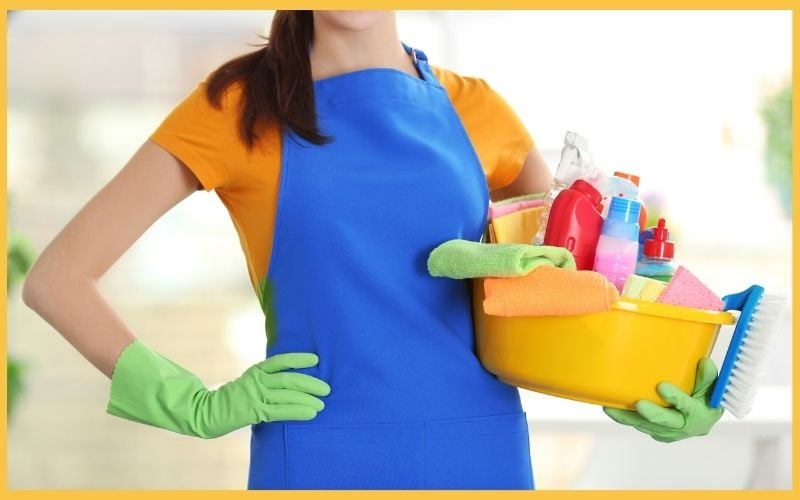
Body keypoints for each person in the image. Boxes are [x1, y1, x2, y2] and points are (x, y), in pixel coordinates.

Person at [21, 10, 724, 491]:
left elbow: (576, 292)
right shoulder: (237, 109)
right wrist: (193, 404)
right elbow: (57, 279)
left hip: (479, 459)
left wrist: (655, 385)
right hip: (319, 459)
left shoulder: (479, 110)